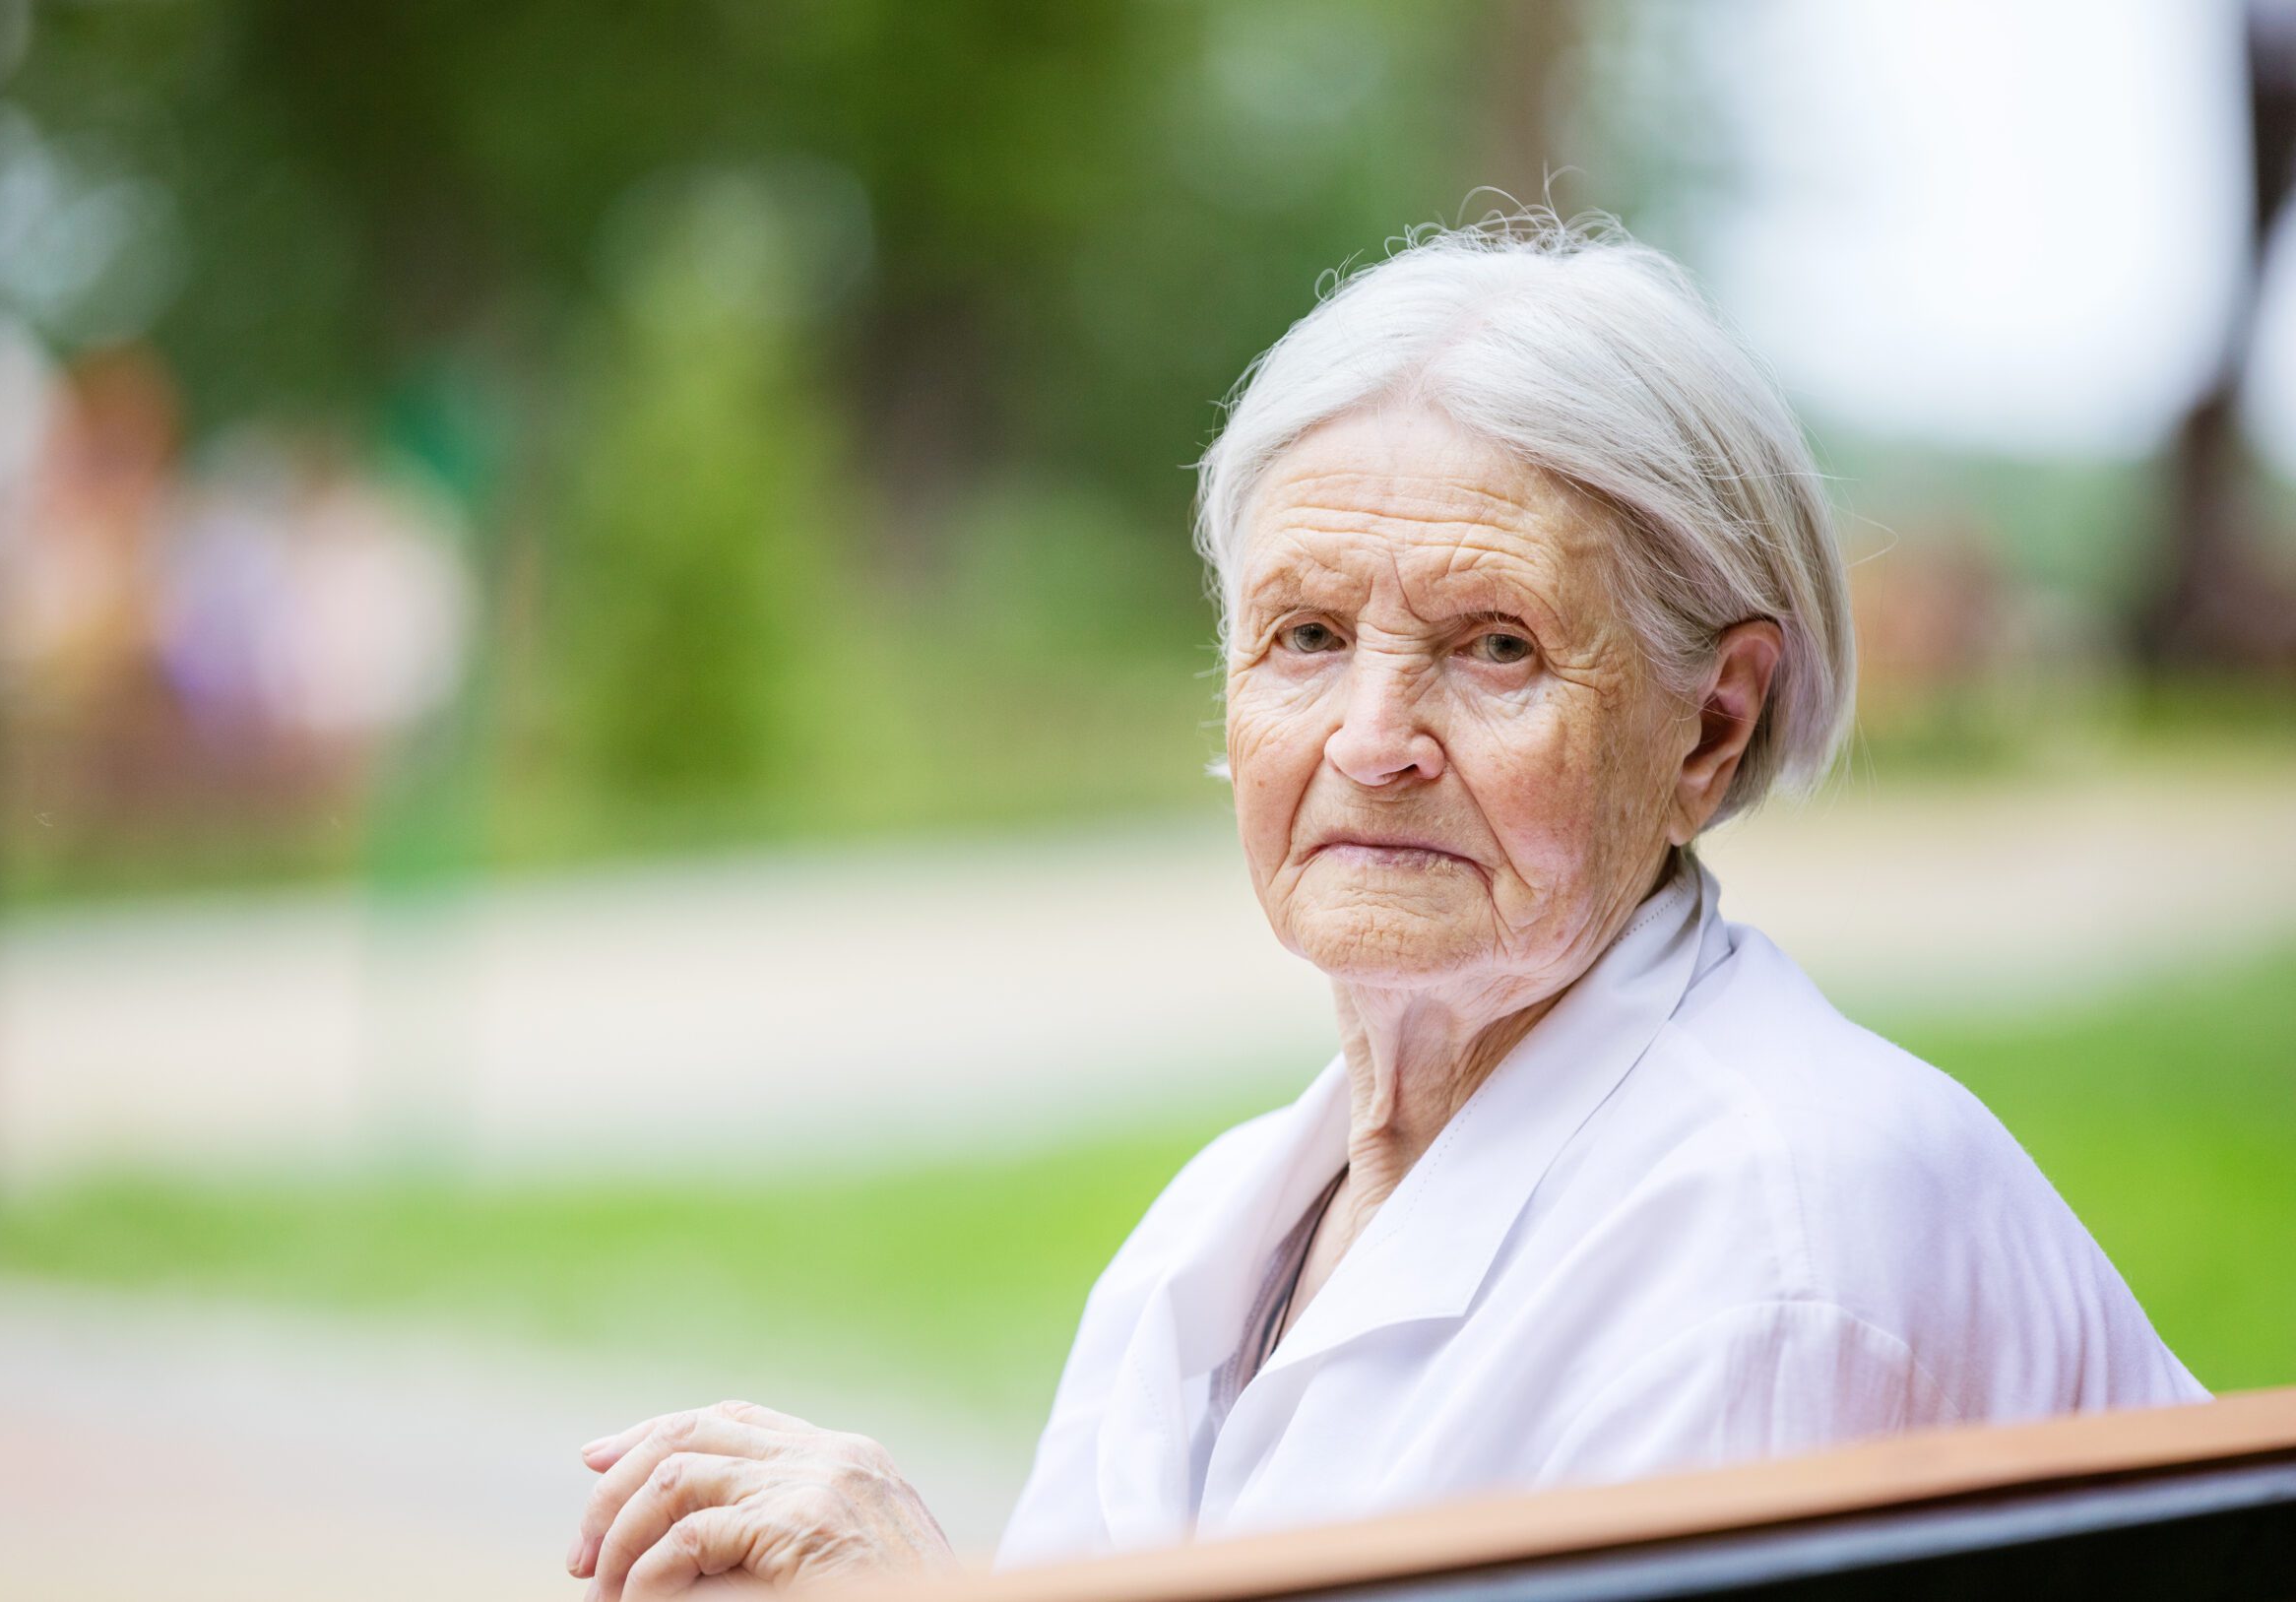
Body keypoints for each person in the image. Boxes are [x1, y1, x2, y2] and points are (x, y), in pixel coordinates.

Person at [555, 213, 2208, 1597]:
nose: (1371, 741)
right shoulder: (1228, 1227)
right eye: (1303, 637)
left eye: (1494, 646)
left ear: (1710, 724)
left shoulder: (1772, 1235)